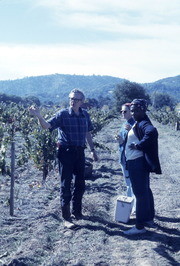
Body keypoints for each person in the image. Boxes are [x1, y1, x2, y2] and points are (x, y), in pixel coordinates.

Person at [29, 89, 98, 229]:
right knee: (66, 185)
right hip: (65, 152)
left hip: (80, 152)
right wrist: (38, 116)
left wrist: (93, 150)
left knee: (80, 184)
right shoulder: (63, 114)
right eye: (71, 98)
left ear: (82, 101)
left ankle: (77, 212)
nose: (73, 101)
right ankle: (66, 218)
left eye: (76, 99)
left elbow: (88, 133)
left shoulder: (85, 115)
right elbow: (47, 126)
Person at [123, 99, 162, 235]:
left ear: (143, 110)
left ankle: (139, 226)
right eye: (132, 111)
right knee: (145, 191)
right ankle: (148, 219)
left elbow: (152, 132)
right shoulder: (139, 122)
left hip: (137, 163)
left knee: (139, 194)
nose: (133, 113)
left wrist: (139, 146)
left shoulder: (144, 122)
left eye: (136, 111)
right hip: (136, 162)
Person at [116, 103, 135, 198]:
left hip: (131, 157)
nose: (122, 113)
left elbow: (140, 139)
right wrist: (119, 139)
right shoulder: (124, 124)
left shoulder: (136, 124)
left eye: (125, 111)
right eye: (121, 111)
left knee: (133, 183)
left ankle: (134, 207)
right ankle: (130, 204)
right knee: (128, 183)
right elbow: (122, 142)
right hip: (123, 156)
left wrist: (132, 130)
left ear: (131, 112)